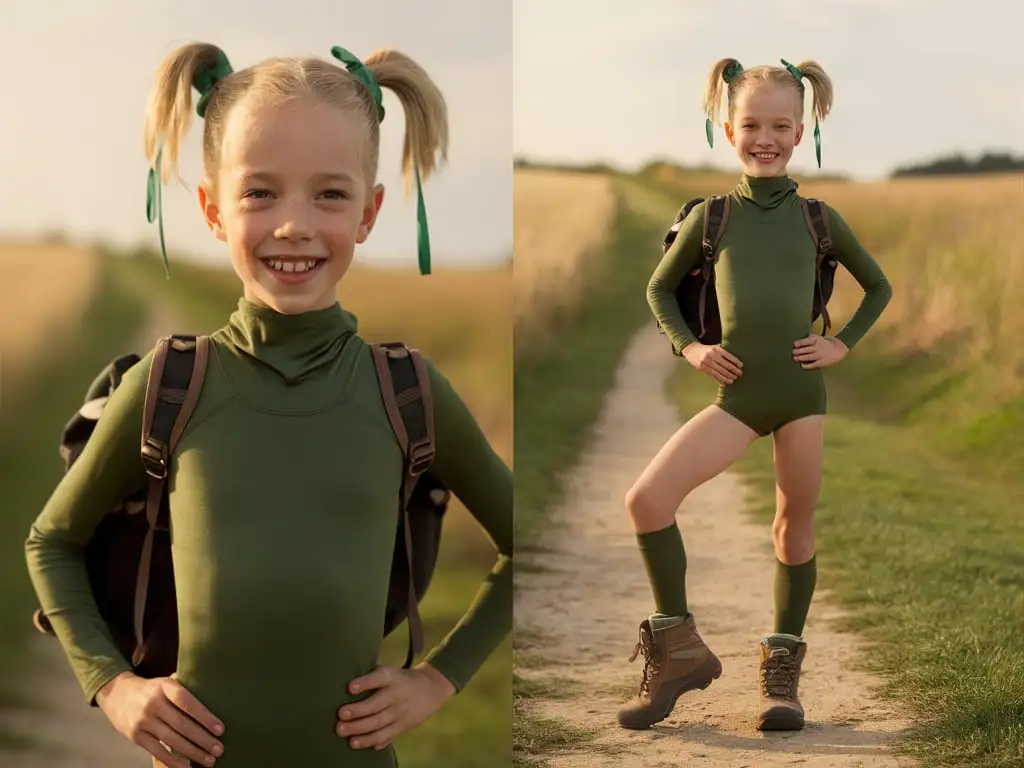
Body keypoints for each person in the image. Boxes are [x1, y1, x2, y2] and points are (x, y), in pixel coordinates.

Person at [25, 41, 512, 767]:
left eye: (330, 193)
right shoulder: (168, 386)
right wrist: (115, 686)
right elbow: (51, 542)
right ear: (213, 210)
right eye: (260, 192)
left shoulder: (407, 392)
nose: (294, 224)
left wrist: (438, 681)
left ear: (371, 211)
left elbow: (525, 542)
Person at [616, 57, 892, 732]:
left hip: (801, 398)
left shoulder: (819, 220)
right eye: (750, 124)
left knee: (792, 532)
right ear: (725, 126)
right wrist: (693, 348)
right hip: (736, 400)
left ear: (802, 131)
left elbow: (878, 287)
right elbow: (658, 289)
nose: (764, 136)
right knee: (647, 501)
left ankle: (781, 678)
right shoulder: (710, 219)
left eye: (780, 125)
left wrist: (841, 343)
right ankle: (677, 650)